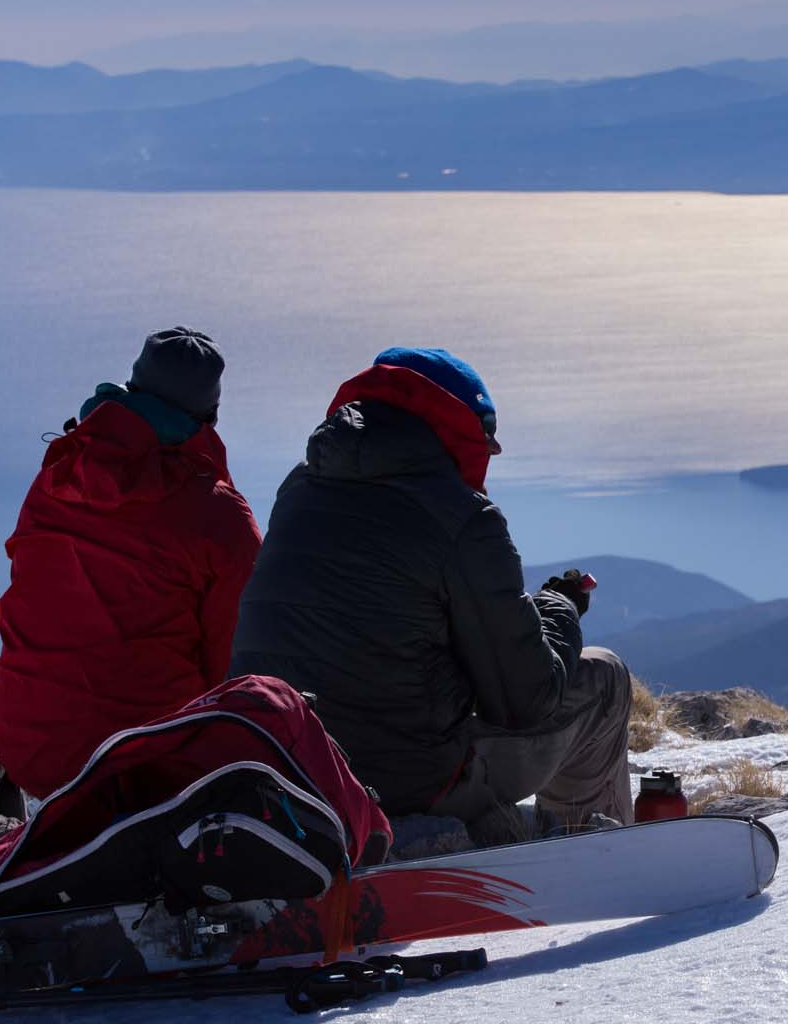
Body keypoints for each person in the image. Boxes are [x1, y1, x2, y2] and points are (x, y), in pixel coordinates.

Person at [230, 347, 634, 847]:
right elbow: (526, 701)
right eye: (486, 435)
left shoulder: (299, 490)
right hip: (404, 783)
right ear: (459, 427)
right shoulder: (463, 518)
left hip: (287, 767)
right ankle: (599, 851)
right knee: (605, 677)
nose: (491, 452)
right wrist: (561, 608)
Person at [0, 327, 262, 799]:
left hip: (29, 750)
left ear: (131, 391)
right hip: (147, 762)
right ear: (210, 415)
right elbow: (237, 659)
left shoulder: (58, 476)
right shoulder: (219, 514)